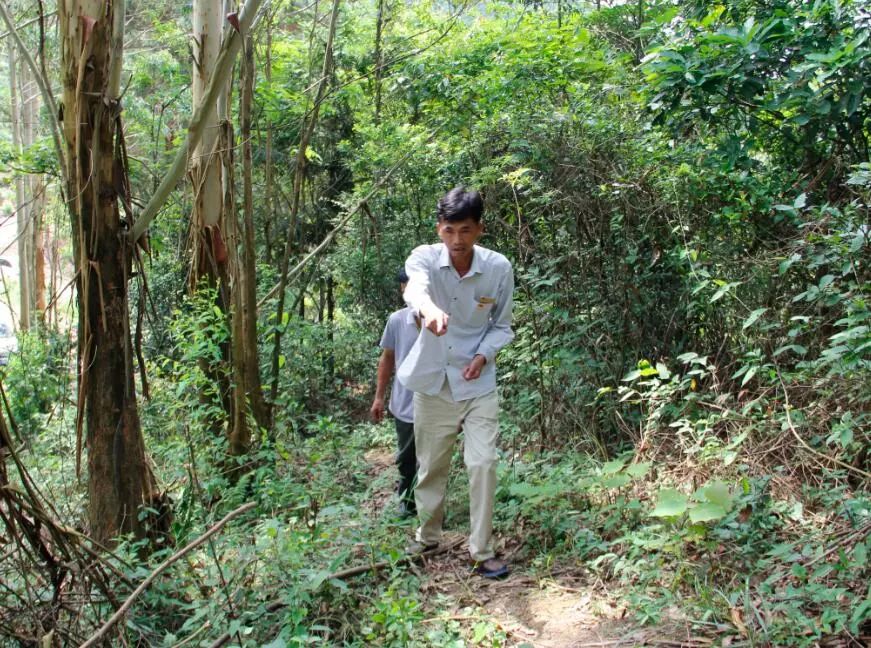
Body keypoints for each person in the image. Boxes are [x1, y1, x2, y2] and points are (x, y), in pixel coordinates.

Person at [399, 187, 514, 578]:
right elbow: (415, 288)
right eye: (449, 231)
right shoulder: (424, 258)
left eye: (465, 231)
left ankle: (482, 550)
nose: (457, 241)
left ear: (479, 229)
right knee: (431, 465)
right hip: (434, 382)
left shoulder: (498, 268)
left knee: (482, 463)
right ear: (439, 229)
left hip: (478, 382)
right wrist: (429, 309)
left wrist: (484, 356)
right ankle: (428, 535)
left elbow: (502, 326)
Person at [370, 269, 421, 518]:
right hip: (405, 403)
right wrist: (379, 396)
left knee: (433, 459)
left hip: (437, 402)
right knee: (407, 457)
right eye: (406, 286)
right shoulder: (397, 320)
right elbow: (388, 358)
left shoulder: (445, 318)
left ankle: (431, 507)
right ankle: (408, 503)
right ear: (403, 289)